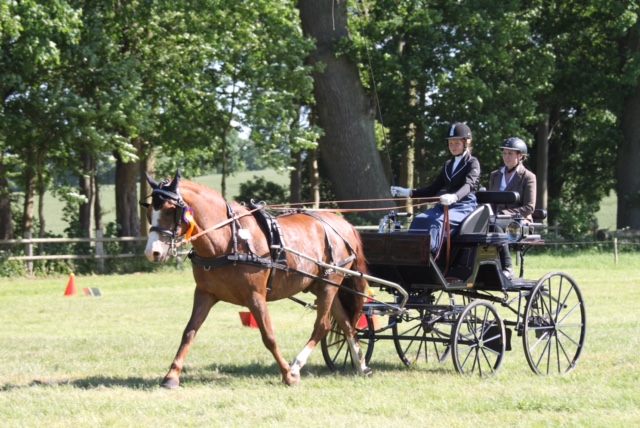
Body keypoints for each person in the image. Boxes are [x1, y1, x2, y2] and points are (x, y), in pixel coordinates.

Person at [391, 122, 480, 257]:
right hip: (446, 205)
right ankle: (409, 254)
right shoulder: (448, 165)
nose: (453, 147)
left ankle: (431, 257)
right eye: (450, 143)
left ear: (466, 143)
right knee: (420, 219)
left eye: (456, 143)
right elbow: (432, 189)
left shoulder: (472, 162)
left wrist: (455, 197)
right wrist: (408, 192)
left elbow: (469, 185)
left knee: (437, 222)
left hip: (464, 206)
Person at [488, 137, 537, 278]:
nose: (506, 157)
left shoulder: (528, 177)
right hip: (495, 218)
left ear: (520, 156)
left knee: (494, 225)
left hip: (519, 221)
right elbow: (491, 201)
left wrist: (505, 213)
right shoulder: (495, 175)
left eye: (510, 153)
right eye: (504, 153)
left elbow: (529, 207)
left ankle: (508, 267)